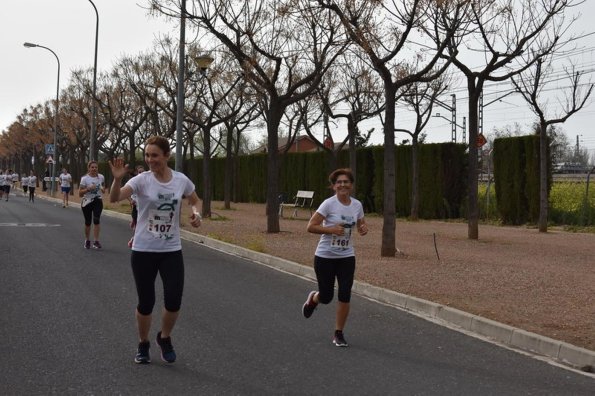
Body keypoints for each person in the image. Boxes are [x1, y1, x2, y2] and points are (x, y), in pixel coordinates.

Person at [109, 136, 203, 364]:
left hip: (171, 249)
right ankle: (143, 344)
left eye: (155, 156)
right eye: (147, 156)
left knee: (173, 300)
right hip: (143, 250)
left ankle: (164, 337)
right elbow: (114, 198)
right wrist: (117, 180)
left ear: (167, 156)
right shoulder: (141, 180)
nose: (150, 160)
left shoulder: (180, 180)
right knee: (146, 302)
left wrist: (197, 214)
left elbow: (195, 199)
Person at [302, 168, 368, 347]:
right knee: (327, 296)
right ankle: (313, 299)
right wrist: (331, 230)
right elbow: (311, 226)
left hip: (347, 256)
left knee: (345, 293)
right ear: (333, 186)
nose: (343, 185)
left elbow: (361, 223)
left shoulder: (357, 205)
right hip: (325, 256)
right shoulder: (328, 204)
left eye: (346, 182)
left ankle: (338, 333)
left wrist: (363, 228)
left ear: (351, 186)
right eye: (339, 182)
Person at [78, 161, 106, 249]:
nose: (94, 169)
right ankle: (87, 240)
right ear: (89, 168)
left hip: (97, 200)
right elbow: (80, 194)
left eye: (96, 167)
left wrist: (102, 188)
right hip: (87, 201)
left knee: (96, 219)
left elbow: (103, 187)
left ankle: (96, 241)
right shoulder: (84, 179)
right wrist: (88, 189)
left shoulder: (101, 177)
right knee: (88, 222)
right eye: (92, 167)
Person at [127, 165, 145, 248]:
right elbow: (125, 193)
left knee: (143, 226)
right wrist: (131, 201)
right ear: (137, 173)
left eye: (142, 172)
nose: (141, 173)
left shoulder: (147, 182)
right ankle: (134, 239)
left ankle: (135, 238)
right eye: (139, 172)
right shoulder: (133, 182)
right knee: (138, 226)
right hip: (135, 207)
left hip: (144, 208)